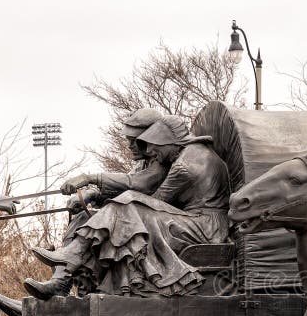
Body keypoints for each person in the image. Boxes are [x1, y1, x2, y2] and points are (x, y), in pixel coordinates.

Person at [29, 115, 230, 298]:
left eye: (154, 146)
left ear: (169, 142)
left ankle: (73, 256)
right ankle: (62, 280)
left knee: (129, 207)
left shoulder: (184, 164)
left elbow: (150, 199)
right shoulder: (182, 154)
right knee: (91, 215)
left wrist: (94, 182)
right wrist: (96, 196)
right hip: (192, 220)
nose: (149, 150)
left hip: (205, 225)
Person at [24, 108, 167, 299]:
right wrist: (92, 194)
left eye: (135, 141)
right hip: (137, 217)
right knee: (83, 216)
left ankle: (69, 269)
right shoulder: (144, 163)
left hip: (157, 222)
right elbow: (127, 185)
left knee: (104, 216)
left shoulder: (162, 161)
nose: (130, 145)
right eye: (129, 140)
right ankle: (60, 282)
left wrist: (89, 178)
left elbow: (138, 184)